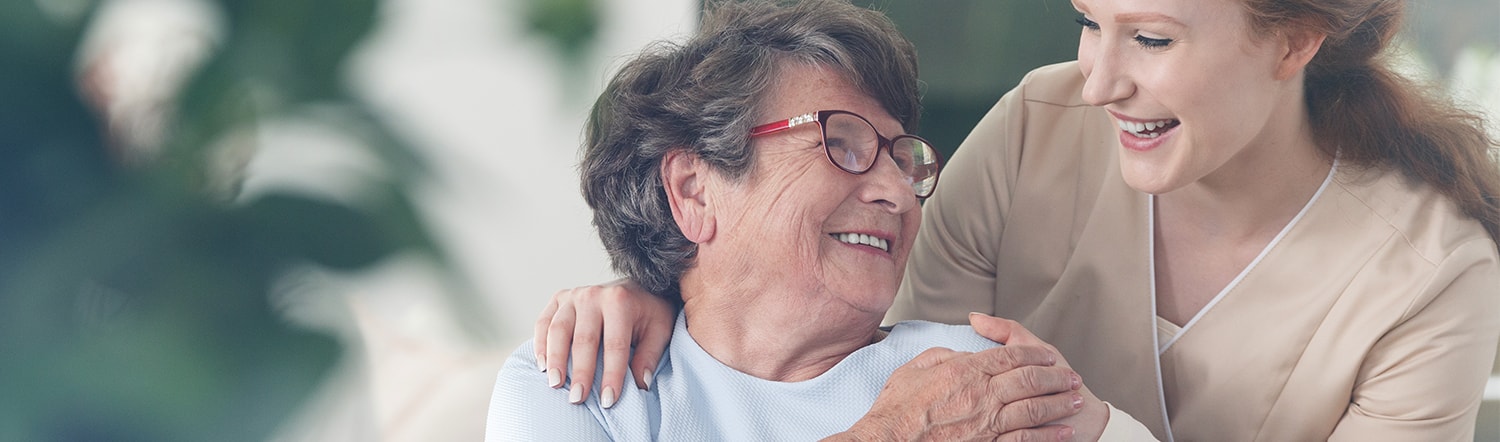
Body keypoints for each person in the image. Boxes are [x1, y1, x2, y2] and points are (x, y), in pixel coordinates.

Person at [533, 0, 1500, 440]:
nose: (1098, 77)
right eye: (1088, 20)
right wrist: (671, 285)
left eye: (1151, 38)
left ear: (1292, 42)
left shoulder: (1431, 277)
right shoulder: (1044, 124)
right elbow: (857, 351)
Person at [488, 0, 1160, 439]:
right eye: (842, 142)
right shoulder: (574, 383)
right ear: (694, 191)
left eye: (904, 159)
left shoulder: (967, 383)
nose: (897, 191)